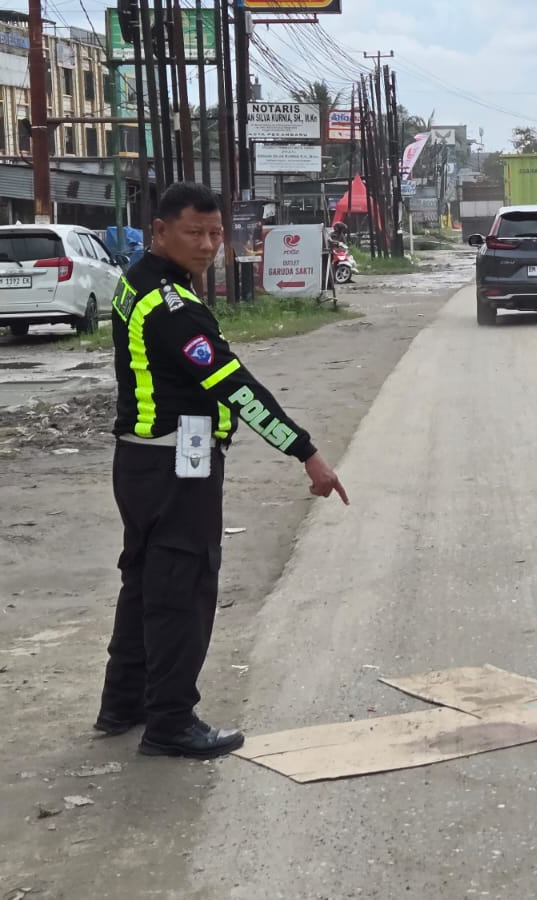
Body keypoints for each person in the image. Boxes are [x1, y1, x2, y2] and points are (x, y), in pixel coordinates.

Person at [98, 182, 348, 759]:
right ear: (158, 232)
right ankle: (171, 724)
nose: (210, 244)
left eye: (216, 233)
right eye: (194, 232)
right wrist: (305, 451)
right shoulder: (172, 306)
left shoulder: (139, 281)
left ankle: (124, 704)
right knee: (181, 591)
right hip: (173, 466)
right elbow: (233, 385)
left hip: (140, 461)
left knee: (145, 584)